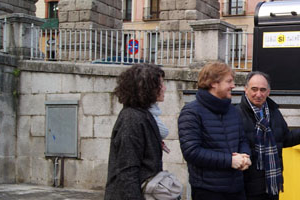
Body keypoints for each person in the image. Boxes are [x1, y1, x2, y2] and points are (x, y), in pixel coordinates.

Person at [236, 71, 300, 200]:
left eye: (263, 90)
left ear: (268, 92)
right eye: (254, 89)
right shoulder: (236, 114)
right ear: (245, 89)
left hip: (272, 184)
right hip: (247, 186)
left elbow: (284, 138)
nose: (258, 94)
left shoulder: (274, 112)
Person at [178, 62, 252, 200]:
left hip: (236, 188)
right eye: (229, 81)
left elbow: (242, 140)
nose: (233, 85)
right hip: (208, 190)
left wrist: (245, 156)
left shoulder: (233, 111)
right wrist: (229, 161)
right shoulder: (191, 112)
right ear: (213, 83)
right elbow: (191, 151)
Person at [105, 64, 166, 199]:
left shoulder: (142, 115)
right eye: (160, 84)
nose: (164, 88)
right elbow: (128, 171)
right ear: (147, 88)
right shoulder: (132, 119)